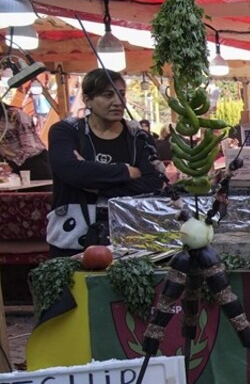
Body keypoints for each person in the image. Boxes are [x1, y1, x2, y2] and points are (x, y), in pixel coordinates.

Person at [46, 69, 166, 257]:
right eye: (108, 95)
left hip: (129, 242)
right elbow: (70, 170)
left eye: (122, 94)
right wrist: (126, 172)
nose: (118, 102)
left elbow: (155, 183)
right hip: (70, 243)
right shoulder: (65, 131)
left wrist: (97, 187)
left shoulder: (139, 138)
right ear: (87, 100)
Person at [0, 88, 52, 180]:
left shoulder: (15, 114)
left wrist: (12, 165)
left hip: (35, 162)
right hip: (13, 164)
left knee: (40, 192)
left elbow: (29, 146)